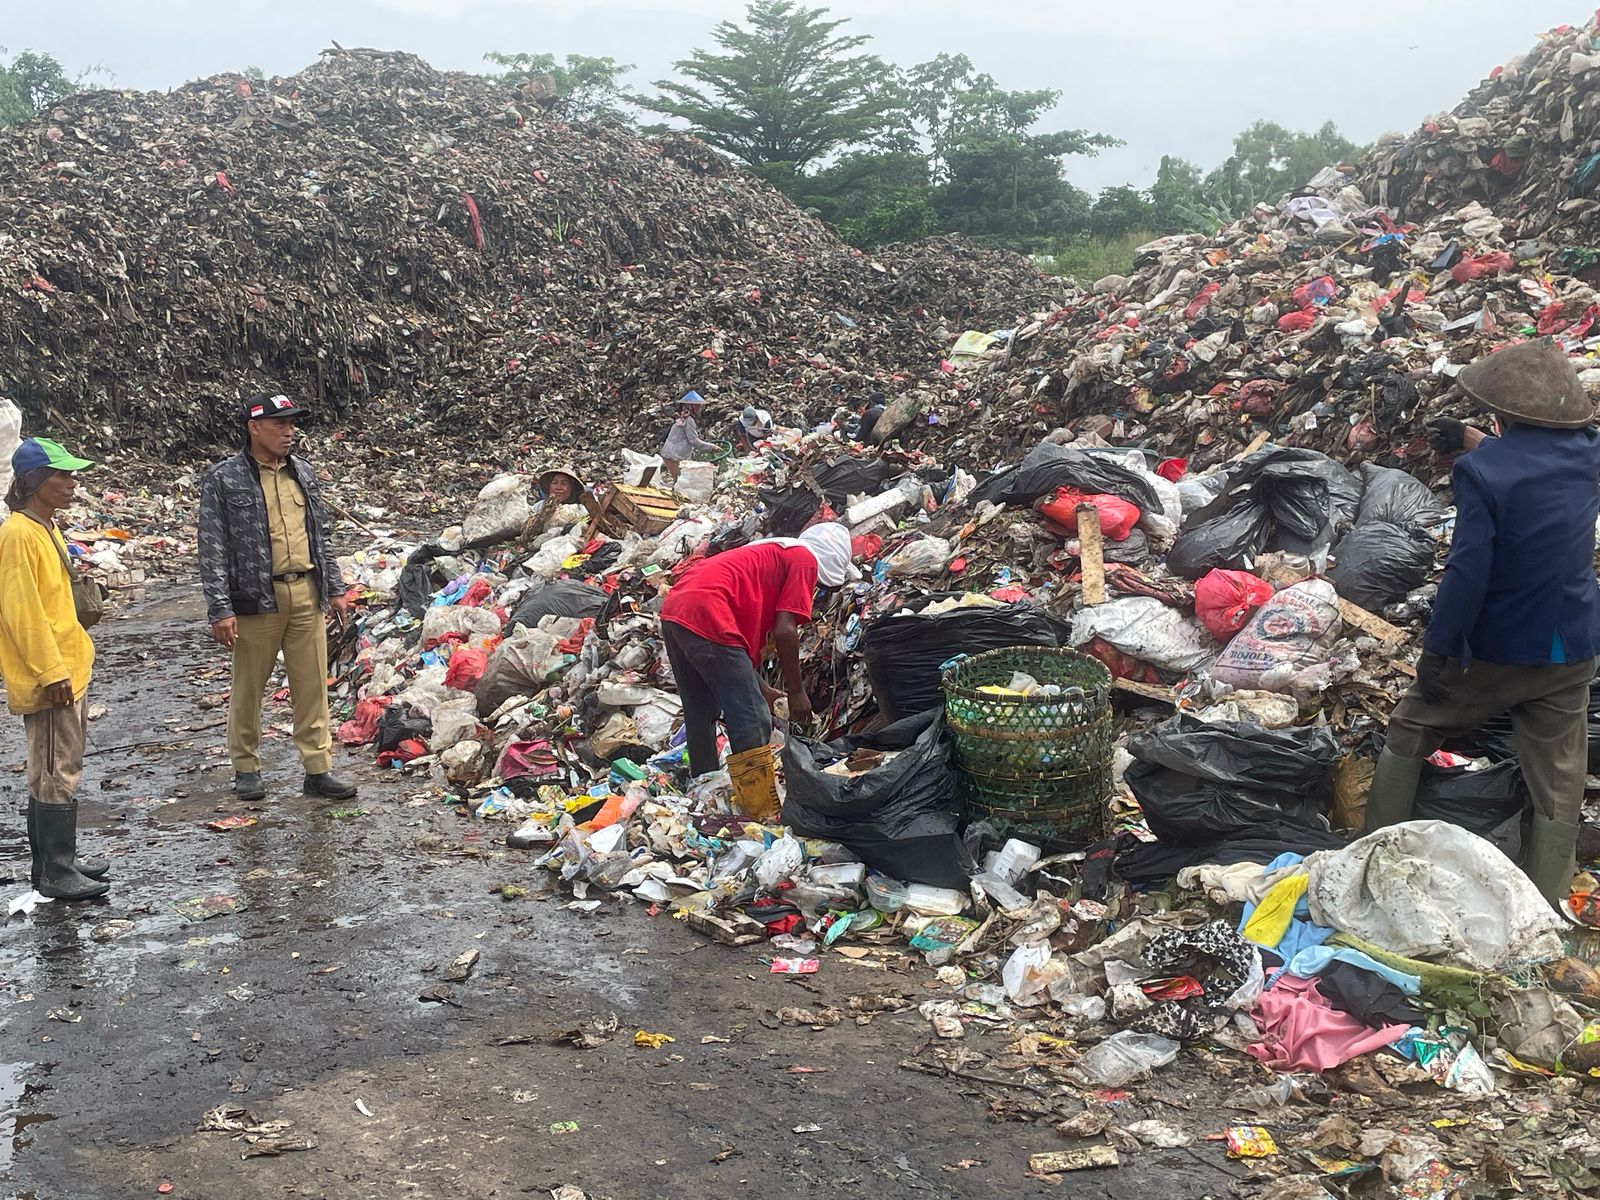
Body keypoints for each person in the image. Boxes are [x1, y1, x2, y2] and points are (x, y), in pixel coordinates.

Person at [1365, 338, 1600, 905]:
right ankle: (1548, 904)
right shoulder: (1590, 451)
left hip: (1501, 646)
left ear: (1503, 415)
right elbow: (1534, 462)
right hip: (1573, 644)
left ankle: (1372, 855)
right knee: (1559, 777)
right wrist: (1473, 438)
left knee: (1414, 723)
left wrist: (1439, 651)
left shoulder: (1481, 473)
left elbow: (1468, 572)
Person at [198, 393, 357, 802]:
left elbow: (320, 535)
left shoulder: (302, 472)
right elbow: (212, 546)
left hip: (305, 591)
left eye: (292, 423)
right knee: (249, 688)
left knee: (312, 687)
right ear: (254, 427)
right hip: (256, 598)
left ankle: (317, 769)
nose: (289, 431)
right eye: (279, 423)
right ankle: (246, 768)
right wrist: (220, 608)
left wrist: (335, 587)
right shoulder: (224, 478)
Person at [661, 523, 859, 821]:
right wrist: (797, 693)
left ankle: (702, 788)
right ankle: (759, 810)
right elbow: (785, 631)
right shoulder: (804, 559)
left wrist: (763, 688)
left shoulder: (770, 553)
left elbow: (733, 653)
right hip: (709, 612)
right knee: (753, 717)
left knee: (700, 709)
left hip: (676, 610)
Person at [0, 437, 111, 900]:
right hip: (51, 675)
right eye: (62, 474)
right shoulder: (18, 536)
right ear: (35, 481)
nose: (72, 482)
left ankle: (52, 863)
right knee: (52, 771)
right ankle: (56, 872)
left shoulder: (45, 527)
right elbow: (22, 614)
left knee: (61, 766)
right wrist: (50, 673)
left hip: (69, 665)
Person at [660, 391, 718, 487]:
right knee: (680, 482)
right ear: (689, 406)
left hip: (671, 454)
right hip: (674, 456)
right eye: (696, 405)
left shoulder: (684, 417)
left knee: (680, 481)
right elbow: (694, 441)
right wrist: (712, 447)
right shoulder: (689, 420)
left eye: (699, 405)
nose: (699, 408)